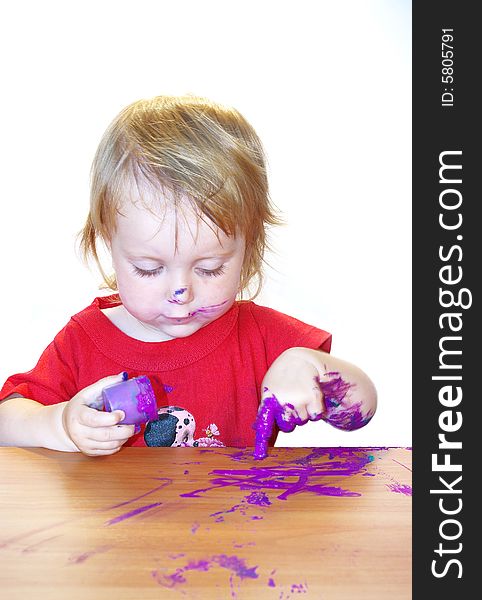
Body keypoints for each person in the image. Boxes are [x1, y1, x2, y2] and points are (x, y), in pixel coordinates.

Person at [0, 95, 377, 456]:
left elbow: (363, 408)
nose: (181, 292)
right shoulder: (84, 341)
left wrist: (314, 368)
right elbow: (7, 422)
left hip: (237, 518)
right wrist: (61, 425)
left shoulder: (261, 337)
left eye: (209, 268)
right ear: (108, 244)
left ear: (248, 248)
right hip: (113, 523)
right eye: (149, 269)